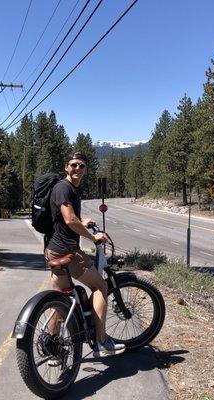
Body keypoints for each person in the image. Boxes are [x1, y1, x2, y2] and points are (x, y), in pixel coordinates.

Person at [45, 151, 125, 358]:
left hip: (53, 250)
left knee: (63, 299)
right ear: (66, 167)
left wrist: (84, 221)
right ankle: (101, 341)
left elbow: (68, 218)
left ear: (86, 169)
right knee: (100, 286)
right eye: (74, 165)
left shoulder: (70, 188)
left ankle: (51, 344)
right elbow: (70, 220)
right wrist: (94, 237)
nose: (78, 169)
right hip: (67, 250)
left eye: (81, 165)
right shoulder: (64, 187)